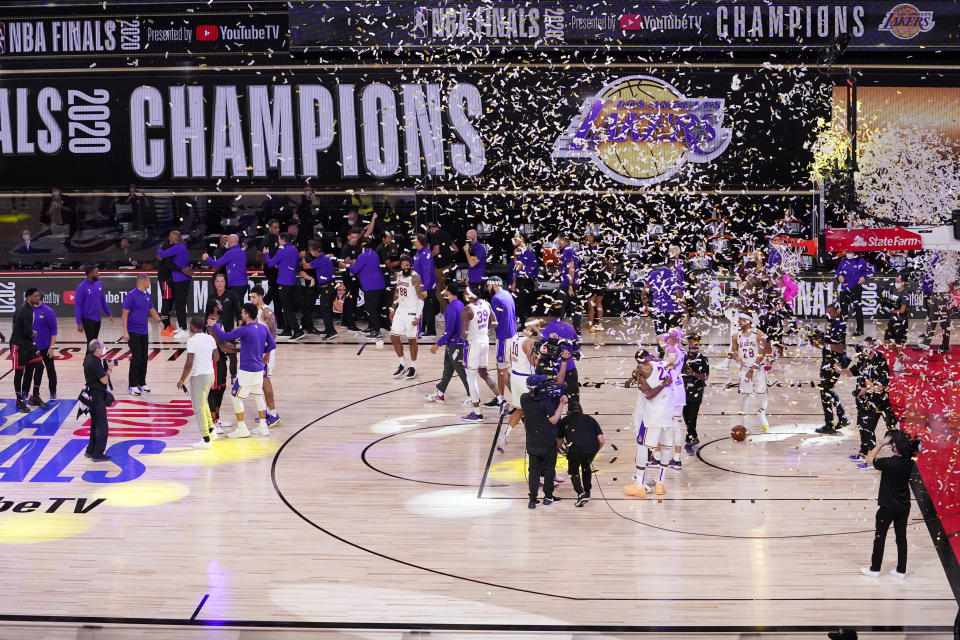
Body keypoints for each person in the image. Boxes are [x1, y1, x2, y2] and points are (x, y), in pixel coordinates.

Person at [208, 302, 276, 438]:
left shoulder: (245, 329)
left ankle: (241, 427)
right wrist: (261, 351)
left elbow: (225, 337)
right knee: (258, 396)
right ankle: (263, 426)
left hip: (246, 370)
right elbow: (272, 344)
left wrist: (213, 326)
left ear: (247, 314)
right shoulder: (263, 328)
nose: (241, 314)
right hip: (258, 370)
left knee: (235, 396)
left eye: (243, 312)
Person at [860, 431, 918, 579]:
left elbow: (869, 459)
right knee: (901, 538)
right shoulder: (909, 462)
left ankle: (875, 569)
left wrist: (882, 443)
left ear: (896, 448)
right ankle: (901, 570)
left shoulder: (889, 463)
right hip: (904, 506)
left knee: (880, 537)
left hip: (887, 507)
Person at [841, 337, 898, 467]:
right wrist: (840, 370)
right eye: (862, 346)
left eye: (865, 346)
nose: (863, 349)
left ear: (873, 347)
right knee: (862, 427)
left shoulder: (881, 360)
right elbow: (851, 373)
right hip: (862, 401)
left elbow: (884, 384)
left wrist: (867, 389)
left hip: (876, 402)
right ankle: (863, 452)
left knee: (869, 429)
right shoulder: (863, 359)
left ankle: (871, 461)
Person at [623, 349, 672, 499]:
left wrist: (662, 384)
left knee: (642, 447)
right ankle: (660, 484)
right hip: (668, 412)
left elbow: (649, 395)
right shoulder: (663, 364)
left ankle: (640, 485)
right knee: (665, 448)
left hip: (650, 415)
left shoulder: (641, 371)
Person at [521, 375, 567, 509]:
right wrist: (561, 404)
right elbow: (553, 420)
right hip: (547, 443)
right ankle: (548, 497)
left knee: (533, 472)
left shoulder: (524, 399)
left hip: (532, 443)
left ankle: (533, 500)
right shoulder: (545, 402)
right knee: (548, 470)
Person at [176, 316, 220, 450]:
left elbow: (189, 362)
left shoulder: (192, 340)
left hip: (199, 377)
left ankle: (206, 440)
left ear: (194, 327)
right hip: (210, 375)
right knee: (204, 404)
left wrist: (182, 379)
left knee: (198, 408)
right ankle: (212, 432)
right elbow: (216, 357)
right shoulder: (210, 338)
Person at [497, 319, 539, 453]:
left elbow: (509, 358)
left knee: (520, 410)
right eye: (537, 326)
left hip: (514, 376)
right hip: (525, 379)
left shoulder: (514, 337)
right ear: (530, 327)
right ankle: (530, 444)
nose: (540, 328)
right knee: (531, 412)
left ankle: (504, 436)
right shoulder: (529, 342)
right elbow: (534, 363)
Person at [424, 283, 469, 403]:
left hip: (455, 344)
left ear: (449, 292)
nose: (443, 292)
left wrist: (437, 345)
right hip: (455, 343)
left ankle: (473, 397)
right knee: (448, 369)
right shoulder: (460, 304)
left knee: (461, 371)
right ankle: (440, 393)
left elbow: (449, 331)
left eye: (445, 290)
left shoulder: (451, 308)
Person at [121, 273, 164, 396]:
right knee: (137, 357)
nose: (149, 283)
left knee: (144, 357)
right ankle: (132, 385)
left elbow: (152, 309)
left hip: (144, 331)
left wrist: (159, 321)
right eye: (148, 281)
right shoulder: (131, 296)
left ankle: (141, 382)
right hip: (132, 331)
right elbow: (124, 314)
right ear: (143, 281)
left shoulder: (147, 295)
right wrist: (125, 331)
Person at [460, 286, 498, 423]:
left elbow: (464, 333)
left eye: (465, 292)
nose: (463, 294)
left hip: (473, 345)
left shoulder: (467, 310)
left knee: (471, 378)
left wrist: (463, 337)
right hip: (485, 342)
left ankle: (477, 413)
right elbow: (494, 323)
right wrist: (481, 330)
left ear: (470, 295)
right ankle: (501, 400)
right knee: (484, 373)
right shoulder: (487, 304)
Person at [249, 286, 282, 429]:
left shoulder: (267, 311)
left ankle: (274, 414)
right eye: (250, 297)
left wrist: (268, 353)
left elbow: (273, 334)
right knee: (262, 382)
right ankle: (268, 412)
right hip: (258, 351)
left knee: (266, 381)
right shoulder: (254, 311)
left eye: (254, 297)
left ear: (261, 296)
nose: (252, 299)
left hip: (266, 352)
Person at [731, 314, 772, 432]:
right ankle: (745, 423)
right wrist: (736, 357)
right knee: (745, 396)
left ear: (748, 321)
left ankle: (762, 413)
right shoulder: (735, 336)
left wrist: (752, 369)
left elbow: (762, 353)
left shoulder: (759, 334)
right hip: (745, 369)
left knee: (762, 394)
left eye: (741, 320)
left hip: (758, 369)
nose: (738, 322)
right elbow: (733, 352)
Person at [815, 305, 850, 435]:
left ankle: (830, 424)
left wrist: (824, 344)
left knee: (825, 391)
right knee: (828, 389)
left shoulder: (840, 325)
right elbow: (827, 345)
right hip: (828, 362)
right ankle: (842, 417)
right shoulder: (832, 324)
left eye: (830, 312)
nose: (827, 315)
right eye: (826, 312)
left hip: (835, 364)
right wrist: (816, 341)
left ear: (837, 312)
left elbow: (839, 348)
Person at [558, 408, 604, 507]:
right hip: (591, 449)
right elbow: (601, 440)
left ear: (568, 412)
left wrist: (554, 450)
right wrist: (594, 452)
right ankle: (587, 492)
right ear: (581, 411)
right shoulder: (590, 419)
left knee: (573, 471)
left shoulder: (565, 420)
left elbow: (560, 441)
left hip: (575, 450)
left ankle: (580, 493)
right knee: (586, 467)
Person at [916, 250, 958, 354]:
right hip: (935, 295)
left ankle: (945, 346)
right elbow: (934, 282)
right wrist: (931, 296)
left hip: (944, 296)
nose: (941, 254)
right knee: (931, 321)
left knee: (944, 323)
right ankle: (925, 344)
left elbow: (951, 285)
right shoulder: (938, 265)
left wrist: (947, 301)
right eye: (940, 252)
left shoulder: (950, 267)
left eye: (943, 252)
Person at [541, 305, 582, 414]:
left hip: (554, 370)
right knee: (574, 398)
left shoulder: (546, 330)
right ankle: (575, 419)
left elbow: (543, 351)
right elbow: (577, 347)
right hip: (570, 367)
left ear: (549, 315)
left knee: (553, 398)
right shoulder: (570, 327)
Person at [389, 254, 424, 380]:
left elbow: (421, 298)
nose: (405, 266)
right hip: (400, 311)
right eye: (403, 264)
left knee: (411, 340)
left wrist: (417, 316)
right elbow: (397, 292)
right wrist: (393, 308)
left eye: (407, 264)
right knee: (394, 337)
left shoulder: (415, 277)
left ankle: (413, 367)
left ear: (410, 265)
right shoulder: (398, 276)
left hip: (412, 312)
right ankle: (403, 363)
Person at [10, 288, 45, 414]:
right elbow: (27, 332)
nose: (38, 298)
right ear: (29, 297)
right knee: (19, 372)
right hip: (19, 345)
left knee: (40, 366)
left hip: (28, 344)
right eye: (36, 296)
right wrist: (33, 333)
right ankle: (19, 401)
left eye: (38, 296)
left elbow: (14, 323)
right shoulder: (25, 310)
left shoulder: (28, 308)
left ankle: (34, 397)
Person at [345, 236, 387, 339]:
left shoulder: (363, 255)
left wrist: (348, 263)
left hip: (371, 286)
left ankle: (376, 331)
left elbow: (355, 270)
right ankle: (373, 328)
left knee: (371, 309)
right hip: (378, 285)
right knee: (374, 309)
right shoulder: (373, 253)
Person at [264, 232, 304, 340]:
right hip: (292, 281)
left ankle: (297, 331)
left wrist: (266, 254)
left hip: (283, 282)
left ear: (282, 240)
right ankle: (287, 330)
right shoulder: (294, 249)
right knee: (288, 306)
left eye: (279, 239)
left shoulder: (281, 250)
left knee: (286, 308)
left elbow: (270, 263)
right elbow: (296, 266)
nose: (278, 241)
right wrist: (283, 266)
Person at [156, 230, 192, 339]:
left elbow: (162, 254)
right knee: (178, 305)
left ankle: (184, 329)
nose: (168, 238)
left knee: (180, 306)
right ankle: (181, 327)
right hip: (179, 279)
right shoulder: (181, 246)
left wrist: (159, 247)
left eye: (169, 236)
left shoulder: (178, 247)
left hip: (181, 280)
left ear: (173, 237)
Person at [659, 328, 687, 468]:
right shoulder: (681, 351)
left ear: (674, 338)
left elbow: (658, 338)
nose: (666, 339)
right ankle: (677, 459)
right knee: (677, 424)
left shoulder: (671, 349)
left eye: (669, 337)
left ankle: (659, 457)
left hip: (670, 391)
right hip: (680, 389)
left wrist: (669, 335)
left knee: (663, 424)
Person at [82, 338, 114, 461]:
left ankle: (90, 450)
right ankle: (98, 454)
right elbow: (104, 380)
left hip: (90, 393)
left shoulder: (89, 358)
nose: (103, 348)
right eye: (102, 346)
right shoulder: (95, 362)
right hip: (96, 396)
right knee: (102, 426)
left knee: (95, 424)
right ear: (97, 349)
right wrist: (110, 369)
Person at [487, 276, 516, 412]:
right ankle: (505, 398)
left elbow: (494, 322)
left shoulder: (496, 298)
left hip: (504, 338)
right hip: (512, 336)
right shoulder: (508, 294)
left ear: (494, 285)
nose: (488, 288)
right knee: (504, 369)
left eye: (489, 286)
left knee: (501, 370)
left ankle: (502, 400)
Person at [642, 252, 685, 340]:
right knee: (674, 338)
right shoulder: (675, 274)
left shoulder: (653, 274)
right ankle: (673, 353)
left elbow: (643, 292)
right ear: (671, 263)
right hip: (673, 311)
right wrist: (685, 310)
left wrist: (645, 305)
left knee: (661, 338)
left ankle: (661, 353)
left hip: (658, 310)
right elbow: (678, 293)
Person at [301, 239, 337, 339]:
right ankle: (329, 328)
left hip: (327, 288)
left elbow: (305, 266)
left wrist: (303, 257)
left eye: (312, 250)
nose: (311, 253)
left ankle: (331, 331)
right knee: (327, 310)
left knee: (325, 310)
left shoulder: (321, 260)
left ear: (317, 250)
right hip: (329, 287)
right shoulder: (325, 258)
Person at [835, 251, 875, 337]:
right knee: (843, 310)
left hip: (856, 288)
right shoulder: (843, 260)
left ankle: (860, 330)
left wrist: (864, 277)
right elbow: (837, 271)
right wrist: (839, 276)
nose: (847, 253)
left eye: (850, 252)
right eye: (847, 251)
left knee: (858, 310)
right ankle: (842, 330)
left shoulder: (861, 261)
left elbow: (872, 268)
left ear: (854, 252)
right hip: (844, 289)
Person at [681, 334, 709, 455]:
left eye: (694, 342)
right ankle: (694, 437)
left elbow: (705, 376)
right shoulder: (683, 357)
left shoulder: (703, 358)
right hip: (683, 392)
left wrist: (692, 373)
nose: (692, 343)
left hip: (696, 392)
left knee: (692, 419)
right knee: (686, 418)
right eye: (690, 341)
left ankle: (689, 442)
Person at [203, 234, 248, 302]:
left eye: (227, 240)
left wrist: (207, 258)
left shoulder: (230, 253)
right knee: (239, 305)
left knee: (234, 307)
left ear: (230, 241)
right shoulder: (243, 252)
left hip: (235, 284)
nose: (227, 242)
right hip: (244, 284)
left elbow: (216, 264)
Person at [74, 266, 113, 341]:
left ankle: (90, 353)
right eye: (97, 272)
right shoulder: (81, 287)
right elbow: (77, 306)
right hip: (87, 319)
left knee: (94, 343)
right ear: (90, 274)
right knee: (92, 343)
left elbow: (103, 300)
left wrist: (109, 313)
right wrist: (79, 323)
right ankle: (90, 353)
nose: (99, 274)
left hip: (98, 318)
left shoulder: (99, 284)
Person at [32, 298, 58, 405]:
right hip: (33, 348)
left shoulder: (49, 311)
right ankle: (32, 394)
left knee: (50, 370)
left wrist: (51, 347)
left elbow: (54, 330)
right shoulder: (29, 310)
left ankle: (53, 392)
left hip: (46, 348)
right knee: (31, 371)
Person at [428, 220, 458, 313]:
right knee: (442, 290)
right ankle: (443, 312)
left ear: (431, 228)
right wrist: (447, 255)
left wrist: (427, 256)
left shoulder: (435, 235)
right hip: (448, 266)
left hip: (440, 267)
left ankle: (445, 312)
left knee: (437, 292)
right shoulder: (446, 234)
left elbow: (436, 251)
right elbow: (456, 249)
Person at [582, 232, 610, 332]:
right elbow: (606, 261)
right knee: (596, 302)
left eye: (589, 236)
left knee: (593, 302)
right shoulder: (600, 248)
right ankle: (598, 324)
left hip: (593, 278)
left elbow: (604, 261)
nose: (588, 238)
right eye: (587, 236)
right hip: (599, 278)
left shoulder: (585, 249)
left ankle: (593, 325)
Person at [510, 235, 539, 328]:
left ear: (521, 240)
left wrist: (534, 279)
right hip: (522, 281)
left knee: (524, 304)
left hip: (525, 281)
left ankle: (527, 325)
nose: (514, 240)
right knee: (522, 304)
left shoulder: (526, 253)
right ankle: (526, 325)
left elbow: (519, 267)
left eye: (516, 239)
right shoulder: (521, 252)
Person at [260, 219, 284, 330]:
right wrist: (270, 263)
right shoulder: (266, 240)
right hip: (272, 272)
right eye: (275, 227)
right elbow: (259, 255)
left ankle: (280, 322)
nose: (277, 229)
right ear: (269, 228)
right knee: (273, 295)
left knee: (276, 297)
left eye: (278, 227)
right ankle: (256, 313)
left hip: (278, 272)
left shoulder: (279, 239)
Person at [883, 273, 909, 371]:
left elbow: (902, 310)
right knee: (887, 340)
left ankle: (901, 363)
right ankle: (898, 358)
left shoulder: (905, 294)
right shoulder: (894, 291)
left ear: (903, 283)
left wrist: (893, 311)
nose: (896, 283)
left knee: (899, 343)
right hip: (892, 320)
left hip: (901, 321)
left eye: (898, 282)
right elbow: (893, 303)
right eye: (895, 281)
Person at [339, 227, 363, 332]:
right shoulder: (346, 248)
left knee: (351, 299)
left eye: (357, 237)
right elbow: (340, 264)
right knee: (351, 299)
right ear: (349, 237)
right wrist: (349, 264)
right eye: (353, 237)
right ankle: (350, 323)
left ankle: (345, 320)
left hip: (356, 276)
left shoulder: (358, 247)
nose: (355, 239)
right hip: (348, 277)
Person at [413, 234, 437, 335]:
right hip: (421, 286)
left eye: (415, 240)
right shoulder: (420, 252)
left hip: (427, 287)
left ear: (420, 242)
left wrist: (425, 289)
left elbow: (427, 273)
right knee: (422, 308)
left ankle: (431, 331)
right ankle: (422, 329)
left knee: (428, 309)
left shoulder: (426, 254)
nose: (414, 242)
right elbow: (417, 262)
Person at [557, 234, 582, 332]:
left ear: (564, 240)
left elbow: (571, 268)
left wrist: (570, 285)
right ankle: (577, 329)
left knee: (560, 305)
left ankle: (557, 329)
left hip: (568, 284)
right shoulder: (570, 251)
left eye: (559, 240)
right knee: (573, 306)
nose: (558, 242)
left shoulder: (568, 251)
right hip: (572, 283)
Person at [464, 229, 486, 295]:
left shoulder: (479, 248)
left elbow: (472, 264)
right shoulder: (472, 248)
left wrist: (466, 251)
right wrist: (469, 277)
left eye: (469, 237)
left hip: (478, 279)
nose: (467, 239)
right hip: (472, 279)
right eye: (466, 237)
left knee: (476, 301)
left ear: (474, 237)